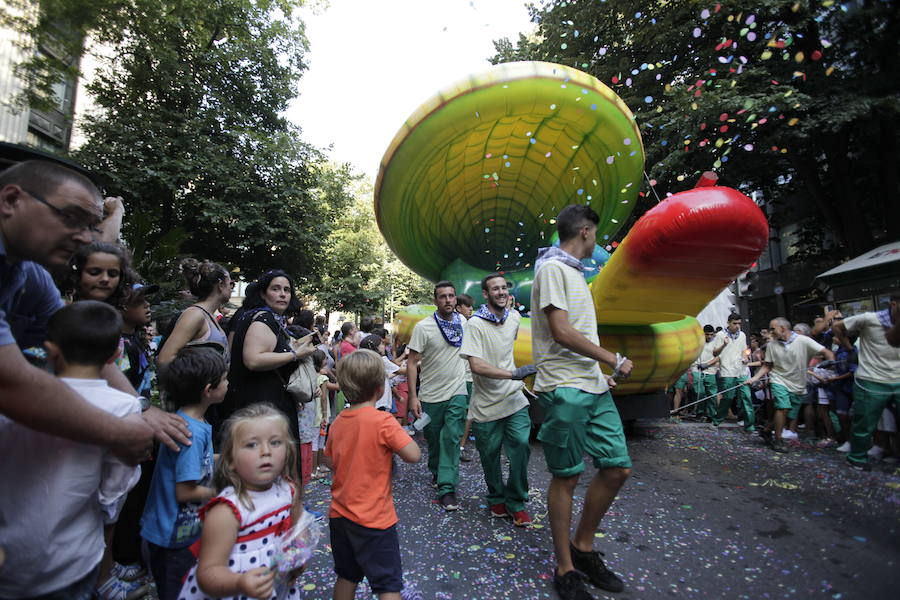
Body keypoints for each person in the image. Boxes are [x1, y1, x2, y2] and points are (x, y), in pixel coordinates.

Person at [0, 160, 154, 463]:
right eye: (71, 218)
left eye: (90, 226)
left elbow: (80, 342)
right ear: (11, 200)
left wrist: (138, 406)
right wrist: (119, 431)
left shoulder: (29, 274)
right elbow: (10, 383)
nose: (85, 238)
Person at [0, 301, 141, 598]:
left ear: (51, 350)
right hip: (74, 555)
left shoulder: (13, 401)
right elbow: (115, 487)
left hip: (10, 555)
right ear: (115, 355)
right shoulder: (124, 407)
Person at [530, 204, 634, 599]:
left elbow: (578, 332)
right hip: (564, 387)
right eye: (597, 235)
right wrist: (613, 359)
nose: (598, 242)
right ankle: (565, 568)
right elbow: (560, 331)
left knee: (618, 468)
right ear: (586, 231)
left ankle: (583, 548)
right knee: (567, 476)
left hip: (592, 385)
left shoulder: (574, 273)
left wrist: (599, 372)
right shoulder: (552, 268)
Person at [324, 349, 421, 600]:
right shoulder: (383, 421)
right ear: (380, 388)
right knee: (387, 584)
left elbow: (330, 461)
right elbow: (413, 455)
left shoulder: (339, 422)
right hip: (374, 519)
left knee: (347, 576)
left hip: (340, 516)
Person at [179, 403, 302, 599]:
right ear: (230, 460)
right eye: (252, 444)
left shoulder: (288, 491)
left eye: (275, 442)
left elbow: (298, 530)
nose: (266, 451)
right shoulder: (227, 511)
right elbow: (208, 573)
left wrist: (295, 559)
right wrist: (239, 582)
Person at [140, 348, 227, 599]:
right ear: (208, 390)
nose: (228, 383)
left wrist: (228, 458)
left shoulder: (191, 421)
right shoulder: (192, 432)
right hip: (171, 537)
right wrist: (222, 492)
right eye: (225, 379)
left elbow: (200, 461)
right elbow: (185, 491)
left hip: (175, 532)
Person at [459, 273, 537, 526]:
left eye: (504, 288)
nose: (501, 292)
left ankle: (516, 501)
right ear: (485, 294)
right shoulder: (475, 324)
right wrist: (513, 374)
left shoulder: (514, 318)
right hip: (486, 404)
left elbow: (506, 350)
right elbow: (477, 365)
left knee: (521, 445)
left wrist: (514, 377)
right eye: (495, 289)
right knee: (489, 456)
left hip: (514, 398)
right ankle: (496, 497)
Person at [219, 269, 315, 447]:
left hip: (259, 406)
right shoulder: (265, 318)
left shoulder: (255, 316)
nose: (282, 294)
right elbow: (253, 360)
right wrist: (295, 354)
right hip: (263, 408)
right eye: (275, 289)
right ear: (263, 293)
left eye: (287, 290)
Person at [407, 280, 469, 511]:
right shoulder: (423, 327)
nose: (448, 300)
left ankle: (447, 488)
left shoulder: (463, 322)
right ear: (435, 301)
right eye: (442, 296)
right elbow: (412, 362)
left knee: (451, 438)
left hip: (458, 390)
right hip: (431, 395)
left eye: (451, 296)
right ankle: (437, 471)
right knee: (434, 442)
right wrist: (413, 397)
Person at [745, 317, 834, 453]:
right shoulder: (771, 345)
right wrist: (754, 379)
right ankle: (778, 440)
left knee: (787, 415)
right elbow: (768, 366)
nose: (770, 332)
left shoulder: (803, 341)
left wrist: (831, 362)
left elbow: (827, 353)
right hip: (778, 380)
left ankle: (767, 429)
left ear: (783, 328)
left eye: (772, 329)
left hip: (798, 384)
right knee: (783, 407)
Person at [833, 294, 900, 470]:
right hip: (871, 379)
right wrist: (849, 348)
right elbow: (837, 326)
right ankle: (857, 458)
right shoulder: (869, 318)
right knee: (864, 423)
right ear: (894, 304)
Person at [157, 258, 233, 367]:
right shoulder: (194, 315)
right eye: (230, 283)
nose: (231, 288)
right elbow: (164, 359)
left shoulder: (208, 316)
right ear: (220, 285)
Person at [711, 314, 756, 431]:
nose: (737, 326)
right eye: (735, 323)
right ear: (728, 323)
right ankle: (717, 421)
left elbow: (744, 350)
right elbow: (715, 353)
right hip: (727, 371)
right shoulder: (720, 335)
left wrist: (745, 357)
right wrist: (724, 345)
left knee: (747, 397)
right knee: (728, 398)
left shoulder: (742, 335)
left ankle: (750, 425)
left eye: (739, 323)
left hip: (742, 370)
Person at [455, 293, 476, 462]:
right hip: (466, 376)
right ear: (458, 307)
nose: (471, 309)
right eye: (467, 306)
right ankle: (460, 447)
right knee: (466, 413)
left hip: (459, 375)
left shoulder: (456, 321)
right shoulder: (462, 321)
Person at [694, 324, 721, 422]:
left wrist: (707, 364)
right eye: (707, 334)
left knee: (712, 394)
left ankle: (711, 414)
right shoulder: (697, 342)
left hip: (710, 370)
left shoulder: (716, 343)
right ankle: (699, 412)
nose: (709, 336)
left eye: (711, 334)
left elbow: (718, 357)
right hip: (697, 369)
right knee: (699, 392)